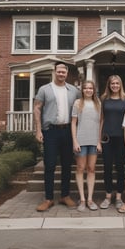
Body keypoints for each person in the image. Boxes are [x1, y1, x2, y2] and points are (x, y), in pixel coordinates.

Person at [34, 62, 81, 212]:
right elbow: (37, 108)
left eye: (64, 72)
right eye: (59, 71)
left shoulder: (74, 91)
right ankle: (48, 199)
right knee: (50, 165)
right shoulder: (44, 89)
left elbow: (81, 108)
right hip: (51, 131)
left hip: (68, 131)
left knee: (67, 165)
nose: (61, 74)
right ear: (54, 72)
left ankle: (65, 195)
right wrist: (38, 130)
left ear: (67, 73)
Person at [71, 80, 102, 212]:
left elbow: (100, 123)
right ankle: (82, 199)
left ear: (94, 90)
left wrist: (99, 141)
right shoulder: (78, 103)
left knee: (91, 169)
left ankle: (90, 199)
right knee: (80, 168)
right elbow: (73, 123)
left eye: (91, 88)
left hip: (94, 140)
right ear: (82, 90)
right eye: (86, 88)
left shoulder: (98, 103)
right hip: (81, 140)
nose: (88, 90)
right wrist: (75, 141)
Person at [99, 75, 125, 210]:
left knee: (120, 168)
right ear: (109, 85)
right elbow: (101, 120)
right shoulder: (104, 99)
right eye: (112, 83)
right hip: (107, 139)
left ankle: (118, 197)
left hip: (121, 138)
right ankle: (108, 196)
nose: (115, 85)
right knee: (107, 168)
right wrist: (98, 140)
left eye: (117, 83)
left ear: (120, 84)